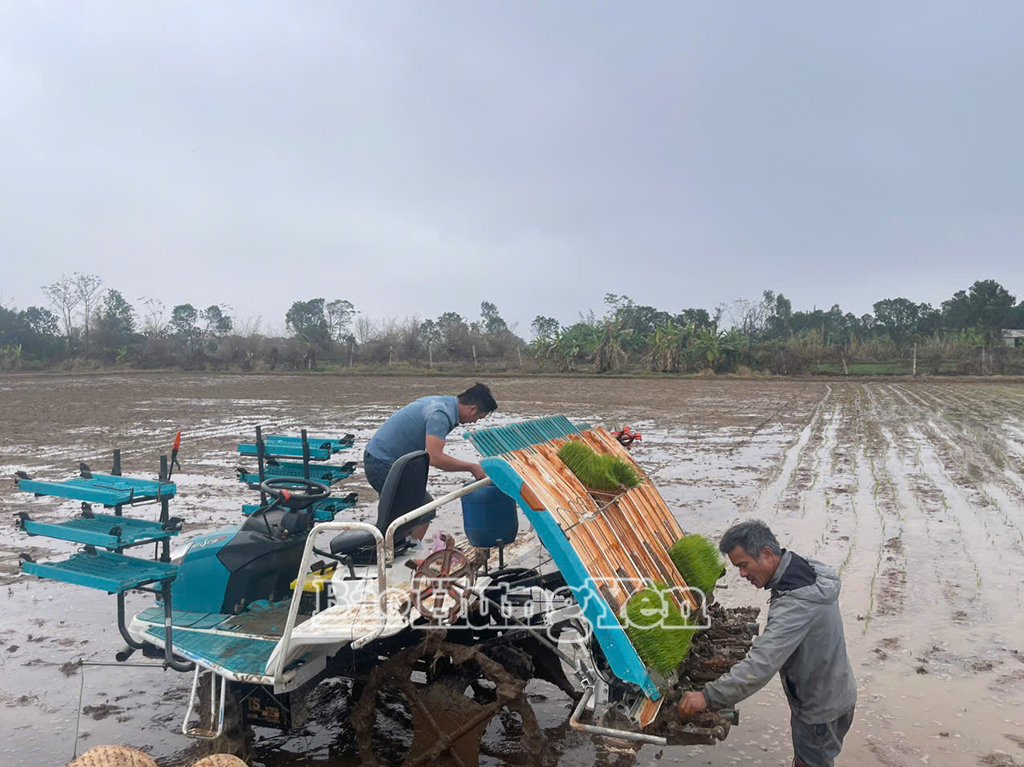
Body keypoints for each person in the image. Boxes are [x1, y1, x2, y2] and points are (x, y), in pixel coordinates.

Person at [678, 520, 857, 767]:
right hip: (839, 691)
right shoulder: (808, 570)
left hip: (819, 709)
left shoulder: (796, 604)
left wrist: (708, 697)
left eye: (743, 565)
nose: (741, 574)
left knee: (810, 762)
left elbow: (761, 665)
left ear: (766, 553)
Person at [363, 383, 497, 539]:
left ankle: (394, 550)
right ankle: (407, 557)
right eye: (478, 418)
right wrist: (472, 467)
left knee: (398, 515)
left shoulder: (442, 403)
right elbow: (435, 458)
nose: (474, 422)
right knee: (424, 511)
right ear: (472, 409)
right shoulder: (440, 415)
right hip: (382, 464)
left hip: (384, 460)